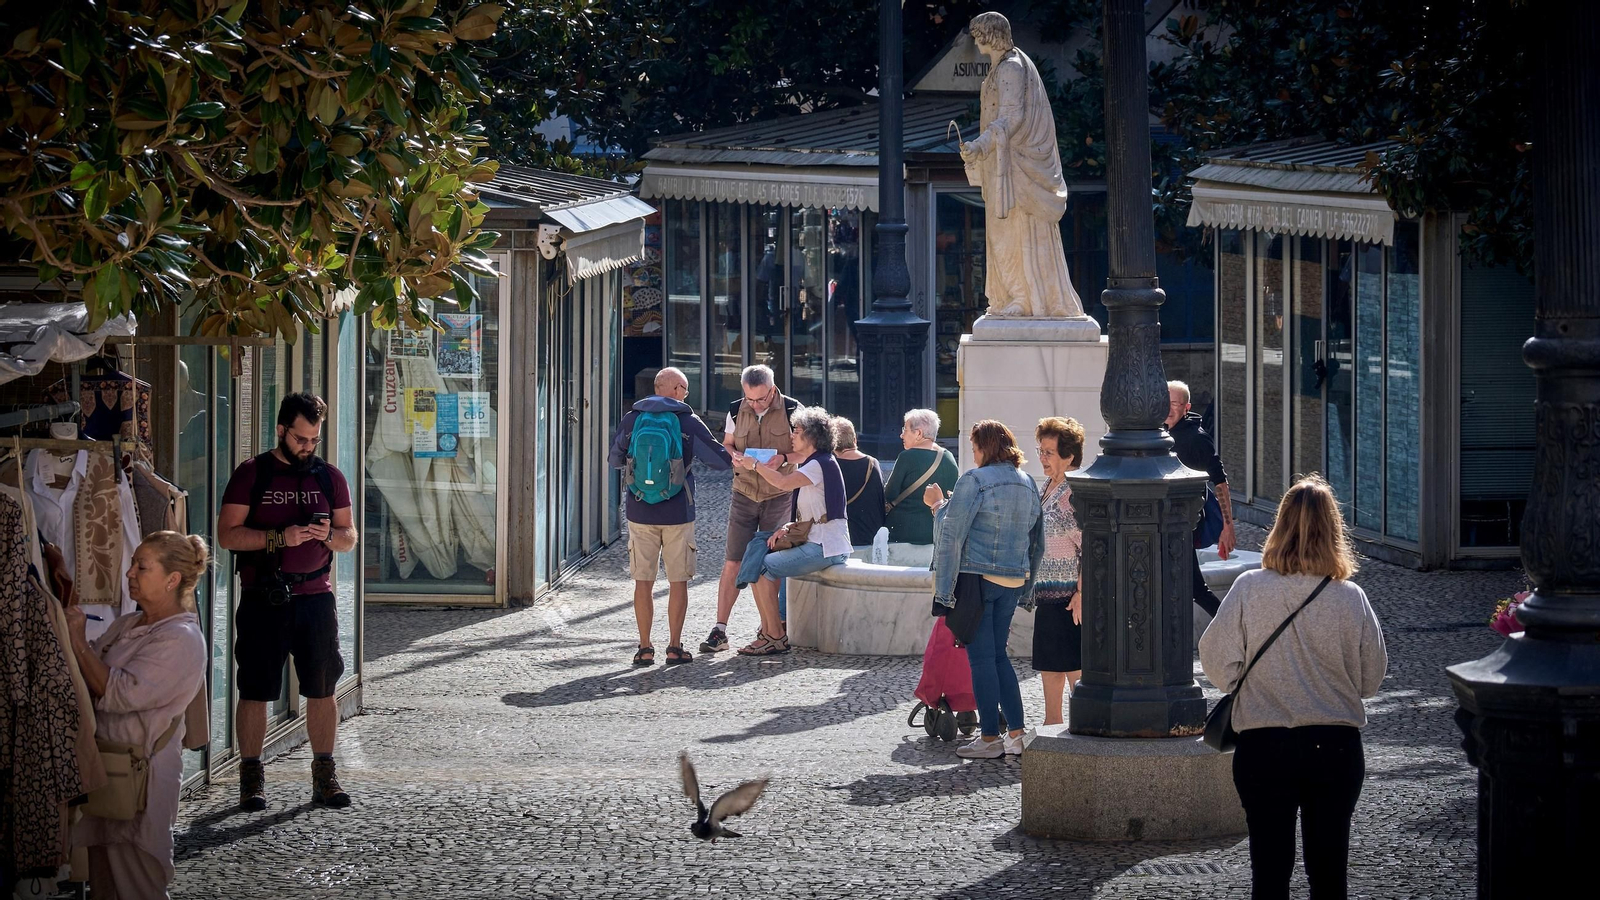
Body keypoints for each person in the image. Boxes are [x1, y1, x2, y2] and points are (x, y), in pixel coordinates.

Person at [1199, 475, 1387, 900]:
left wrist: (1247, 683)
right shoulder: (1351, 597)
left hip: (1264, 747)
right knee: (1330, 874)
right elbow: (1371, 679)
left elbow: (1214, 660)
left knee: (1269, 874)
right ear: (1334, 531)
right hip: (1335, 747)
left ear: (1279, 527)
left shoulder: (1249, 589)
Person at [217, 393, 357, 810]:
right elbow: (227, 534)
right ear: (280, 430)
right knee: (256, 689)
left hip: (315, 596)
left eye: (314, 439)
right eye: (300, 438)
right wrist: (279, 538)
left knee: (322, 686)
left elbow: (349, 537)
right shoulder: (252, 474)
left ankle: (324, 774)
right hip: (264, 595)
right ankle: (251, 777)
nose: (307, 447)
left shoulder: (329, 478)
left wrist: (326, 537)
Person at [65, 532, 208, 900]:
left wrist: (78, 642)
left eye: (142, 567)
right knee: (106, 886)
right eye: (132, 564)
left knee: (138, 884)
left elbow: (118, 693)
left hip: (142, 779)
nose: (130, 573)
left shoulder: (181, 638)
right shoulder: (128, 624)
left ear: (172, 579)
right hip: (109, 773)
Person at [926, 420, 1043, 758]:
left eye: (975, 448)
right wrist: (1027, 587)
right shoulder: (1026, 482)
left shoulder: (974, 480)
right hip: (1012, 580)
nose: (973, 455)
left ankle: (990, 737)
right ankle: (1017, 733)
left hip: (977, 580)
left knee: (981, 660)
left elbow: (951, 537)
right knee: (998, 657)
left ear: (983, 448)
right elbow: (1038, 544)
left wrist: (943, 594)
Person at [957, 11, 1083, 318]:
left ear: (990, 34)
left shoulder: (1011, 68)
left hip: (1016, 169)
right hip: (1002, 163)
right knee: (1002, 235)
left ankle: (1024, 299)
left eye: (978, 34)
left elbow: (1013, 117)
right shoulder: (1000, 67)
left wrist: (980, 144)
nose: (975, 40)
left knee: (1013, 235)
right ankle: (1012, 296)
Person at [608, 368, 732, 666]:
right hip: (678, 512)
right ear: (676, 388)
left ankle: (644, 647)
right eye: (685, 390)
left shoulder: (633, 418)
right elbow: (719, 461)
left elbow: (614, 459)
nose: (685, 395)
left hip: (639, 511)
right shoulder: (687, 421)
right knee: (678, 581)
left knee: (643, 581)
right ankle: (675, 648)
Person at [733, 407, 852, 655]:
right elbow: (813, 511)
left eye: (796, 431)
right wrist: (788, 527)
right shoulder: (816, 463)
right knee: (758, 556)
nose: (791, 436)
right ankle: (769, 632)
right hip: (818, 541)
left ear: (811, 436)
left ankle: (775, 634)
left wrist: (754, 465)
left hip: (826, 547)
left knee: (764, 566)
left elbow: (783, 483)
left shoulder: (818, 465)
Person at [701, 365, 801, 654]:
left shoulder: (794, 410)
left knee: (771, 562)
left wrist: (783, 456)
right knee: (733, 560)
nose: (755, 405)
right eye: (750, 399)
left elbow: (805, 452)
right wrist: (733, 456)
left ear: (773, 390)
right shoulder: (736, 410)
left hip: (779, 493)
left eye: (760, 399)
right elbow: (728, 444)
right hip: (743, 492)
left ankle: (770, 628)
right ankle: (719, 630)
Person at [1028, 416, 1085, 726]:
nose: (1042, 457)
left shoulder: (1073, 493)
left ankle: (1085, 731)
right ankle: (1052, 727)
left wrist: (1081, 592)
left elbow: (1091, 547)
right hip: (1047, 594)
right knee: (1050, 668)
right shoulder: (1048, 485)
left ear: (1069, 456)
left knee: (1074, 670)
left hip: (1067, 598)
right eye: (1041, 450)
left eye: (1049, 452)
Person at [1168, 380, 1236, 616]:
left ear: (1186, 407)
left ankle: (1232, 630)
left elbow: (1220, 480)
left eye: (1174, 403)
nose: (1168, 408)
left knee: (1196, 588)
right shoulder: (1157, 434)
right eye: (1164, 402)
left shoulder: (1196, 438)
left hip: (1182, 525)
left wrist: (1228, 526)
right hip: (1163, 524)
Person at [882, 408, 959, 545]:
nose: (901, 435)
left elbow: (890, 494)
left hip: (903, 533)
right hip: (935, 533)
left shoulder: (907, 457)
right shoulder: (949, 457)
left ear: (918, 433)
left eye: (905, 430)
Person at [831, 417, 886, 548]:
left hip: (841, 539)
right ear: (854, 439)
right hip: (870, 537)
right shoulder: (873, 463)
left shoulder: (830, 467)